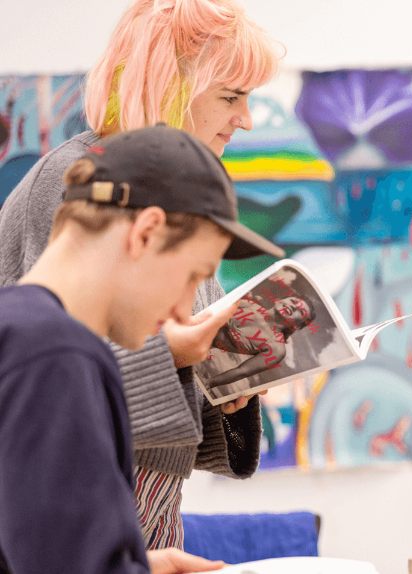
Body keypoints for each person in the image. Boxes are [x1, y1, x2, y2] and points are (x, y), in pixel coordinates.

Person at [0, 0, 283, 549]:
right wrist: (173, 358)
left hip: (137, 525)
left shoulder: (179, 199)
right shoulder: (77, 185)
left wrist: (224, 386)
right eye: (230, 96)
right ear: (167, 85)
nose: (245, 118)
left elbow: (130, 392)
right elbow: (54, 394)